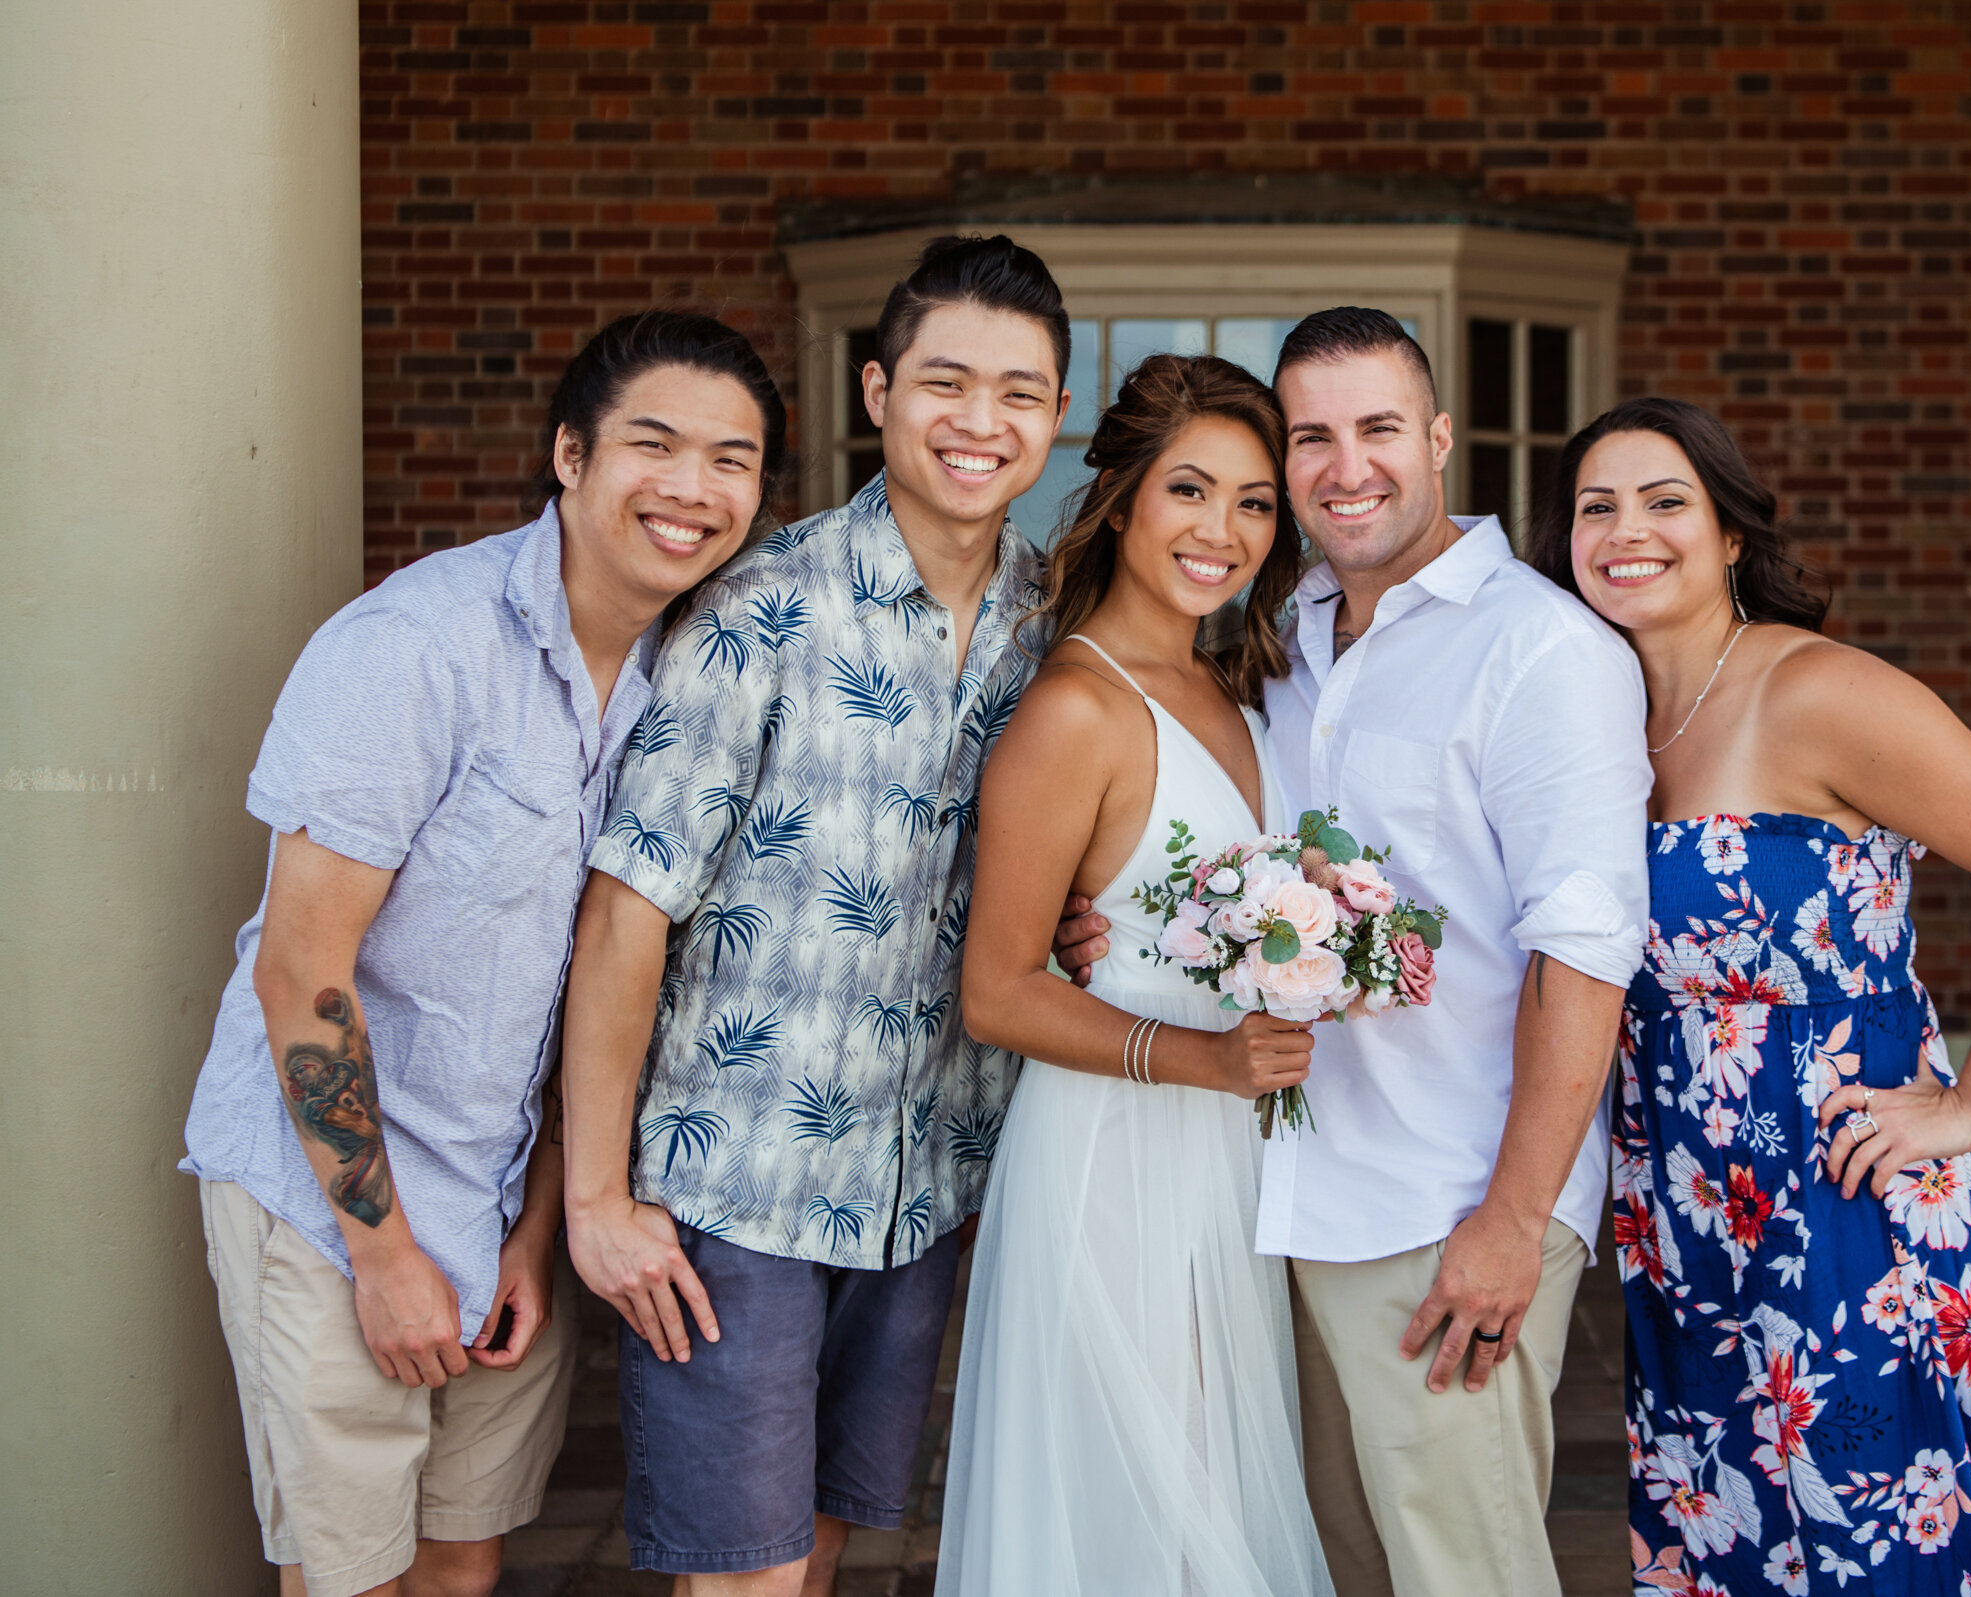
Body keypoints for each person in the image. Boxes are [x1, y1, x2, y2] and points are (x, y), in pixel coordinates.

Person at [179, 310, 782, 1597]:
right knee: (353, 1576)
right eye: (654, 445)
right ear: (570, 455)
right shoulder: (413, 649)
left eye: (733, 460)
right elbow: (302, 972)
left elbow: (597, 976)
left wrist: (541, 1211)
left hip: (505, 1194)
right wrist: (385, 1252)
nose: (692, 489)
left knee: (463, 1558)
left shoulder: (691, 672)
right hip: (335, 1195)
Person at [1060, 308, 1654, 1597]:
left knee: (1466, 1573)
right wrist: (1101, 919)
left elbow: (1586, 951)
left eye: (1380, 427)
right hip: (1287, 1201)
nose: (1347, 467)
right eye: (1311, 438)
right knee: (1341, 1571)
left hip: (1446, 1209)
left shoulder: (1542, 647)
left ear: (1438, 438)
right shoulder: (1287, 639)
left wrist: (1509, 1220)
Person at [1531, 396, 1971, 1595]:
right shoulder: (1599, 718)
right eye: (1598, 506)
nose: (1626, 530)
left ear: (1732, 536)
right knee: (1725, 1525)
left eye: (1665, 502)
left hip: (1844, 1186)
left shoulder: (1819, 691)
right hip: (1686, 1201)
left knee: (1872, 1524)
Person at [556, 235, 1067, 1597]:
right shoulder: (759, 606)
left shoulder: (1050, 621)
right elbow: (627, 910)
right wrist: (596, 1195)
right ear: (880, 390)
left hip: (926, 1185)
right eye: (947, 382)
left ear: (1057, 418)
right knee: (745, 1575)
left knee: (828, 1550)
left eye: (1019, 392)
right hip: (741, 1184)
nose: (981, 421)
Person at [940, 353, 1333, 1595]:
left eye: (1257, 502)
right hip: (1112, 1151)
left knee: (1215, 1480)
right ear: (1121, 500)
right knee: (1123, 1508)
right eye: (1190, 491)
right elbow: (996, 989)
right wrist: (1203, 1057)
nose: (1224, 531)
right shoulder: (1076, 710)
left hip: (1231, 1156)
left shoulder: (1239, 685)